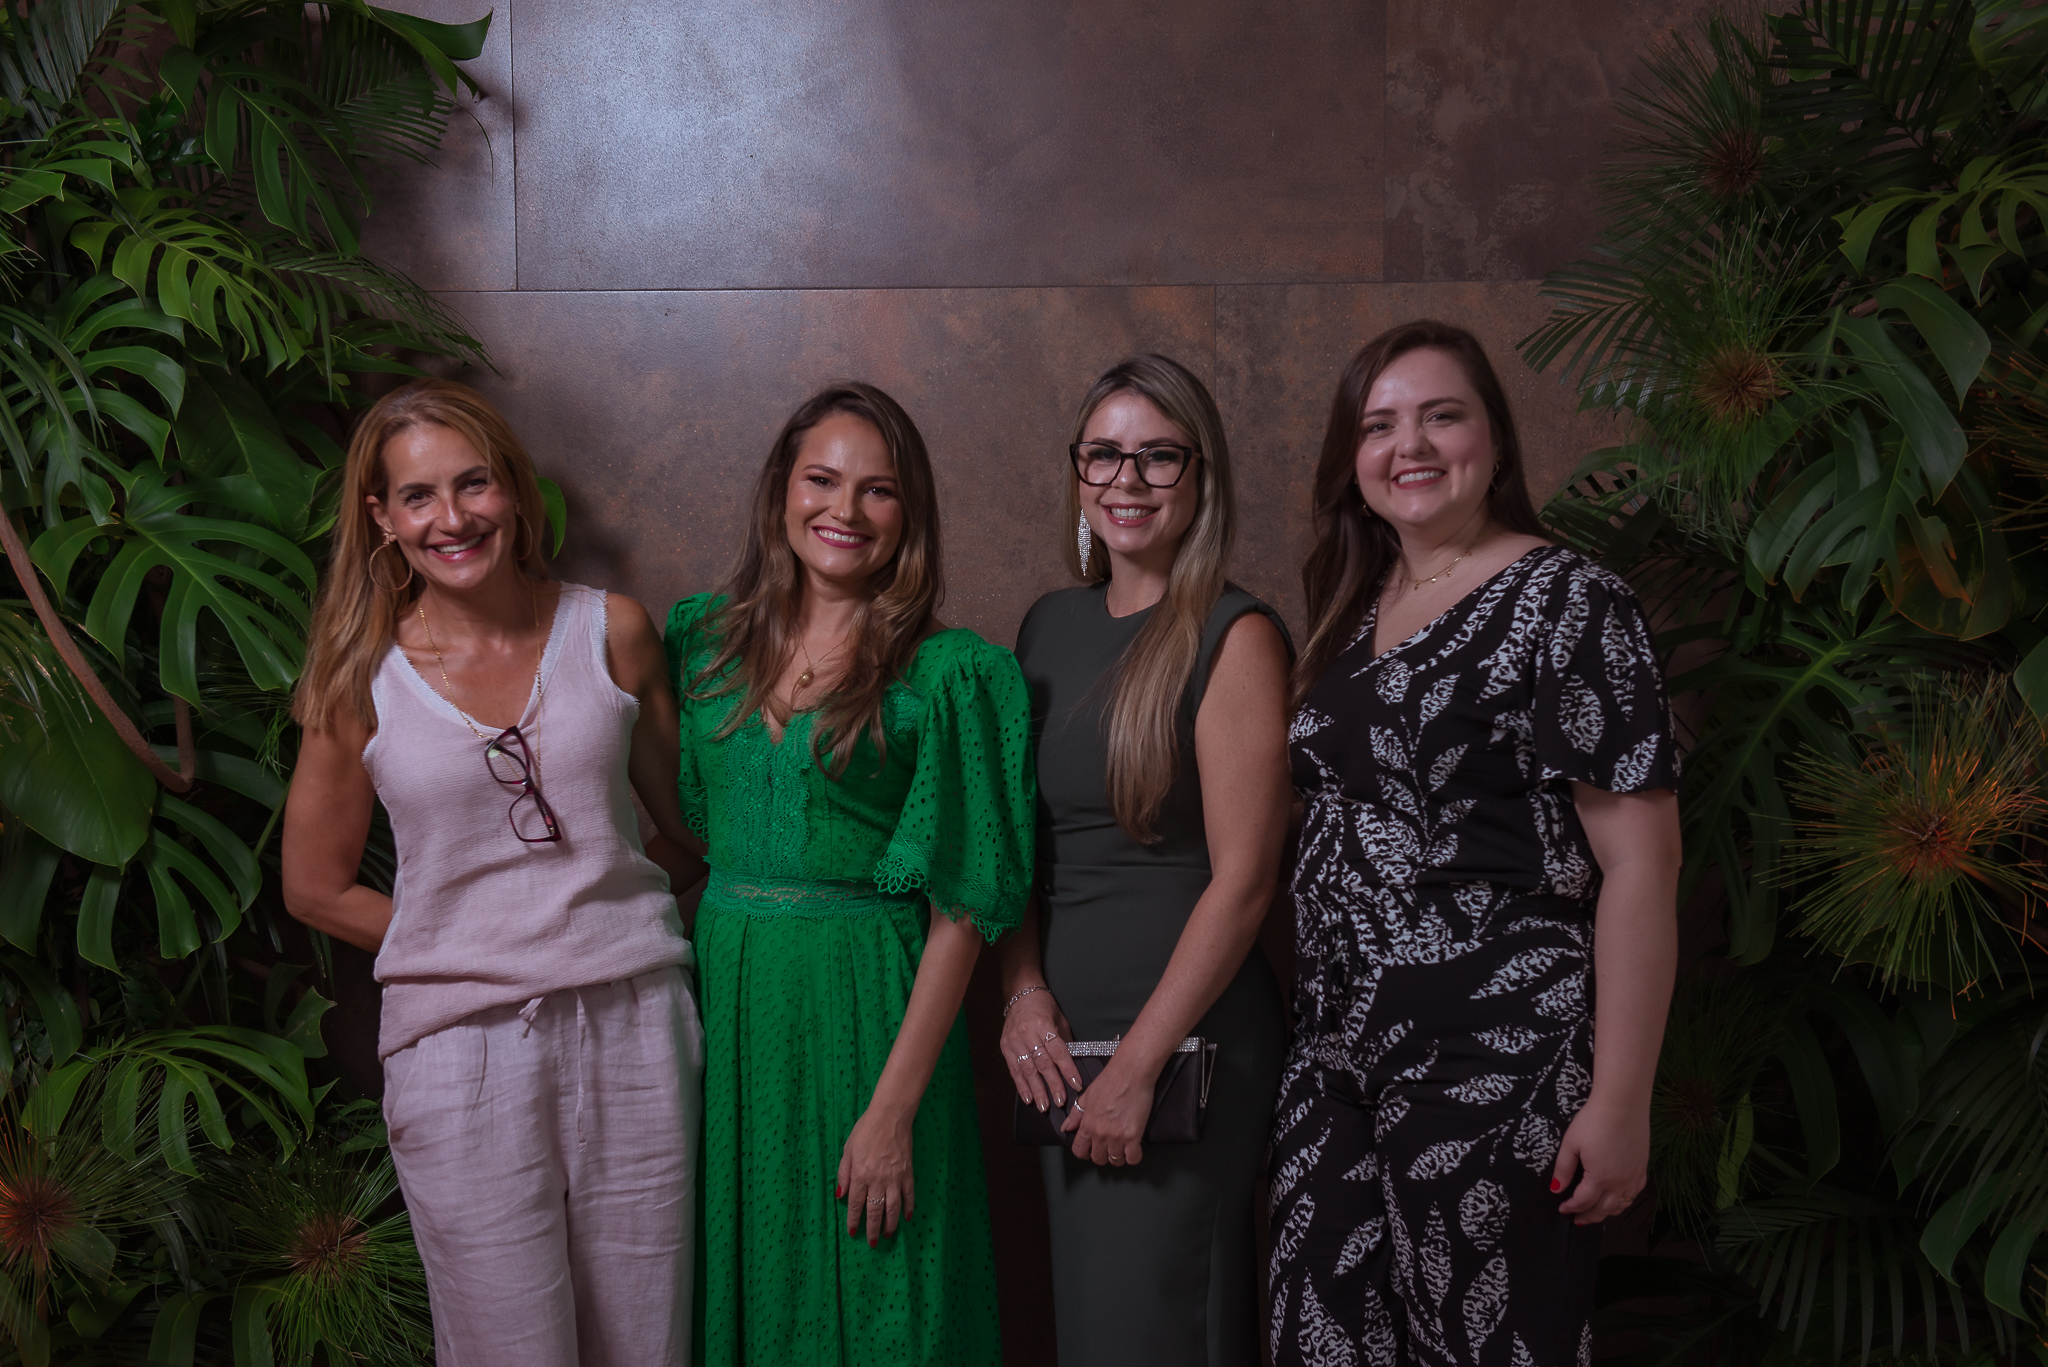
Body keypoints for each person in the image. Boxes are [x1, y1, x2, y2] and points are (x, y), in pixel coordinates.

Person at [1265, 321, 1681, 1367]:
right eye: (1378, 425)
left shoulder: (1568, 599)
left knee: (1488, 1341)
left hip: (1493, 1052)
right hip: (1331, 1049)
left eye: (1440, 415)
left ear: (1493, 440)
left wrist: (1620, 1098)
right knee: (1320, 1338)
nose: (1408, 444)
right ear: (1351, 459)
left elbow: (1641, 862)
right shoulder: (1353, 608)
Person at [281, 378, 705, 1366]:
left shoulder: (612, 632)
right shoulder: (360, 676)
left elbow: (692, 831)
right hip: (457, 1045)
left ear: (512, 489)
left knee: (647, 1340)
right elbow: (313, 886)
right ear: (381, 519)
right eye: (418, 496)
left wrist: (599, 920)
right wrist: (475, 943)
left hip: (635, 1024)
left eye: (473, 483)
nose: (452, 517)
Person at [667, 381, 1031, 1367]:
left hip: (871, 999)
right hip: (734, 1002)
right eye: (821, 479)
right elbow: (678, 823)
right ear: (780, 489)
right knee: (756, 1270)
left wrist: (893, 1108)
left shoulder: (947, 672)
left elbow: (963, 906)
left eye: (878, 489)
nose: (845, 509)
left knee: (885, 1281)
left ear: (909, 513)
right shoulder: (701, 641)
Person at [999, 354, 1292, 1366]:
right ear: (1077, 471)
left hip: (1182, 1043)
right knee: (1097, 1330)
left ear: (1201, 475)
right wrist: (1021, 991)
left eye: (1158, 456)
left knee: (1162, 1325)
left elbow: (1245, 879)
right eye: (1104, 454)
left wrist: (1135, 1065)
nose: (1126, 480)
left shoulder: (1235, 633)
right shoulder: (1047, 624)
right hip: (1058, 1041)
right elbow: (1012, 842)